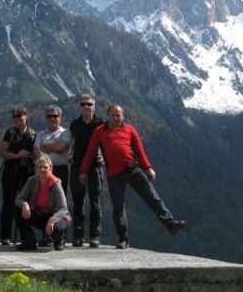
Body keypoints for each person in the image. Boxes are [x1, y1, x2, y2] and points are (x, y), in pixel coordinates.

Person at [79, 104, 186, 249]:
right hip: (114, 174)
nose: (116, 117)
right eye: (113, 115)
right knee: (118, 207)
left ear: (123, 116)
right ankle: (123, 239)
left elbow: (139, 149)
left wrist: (148, 167)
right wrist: (83, 171)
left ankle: (170, 223)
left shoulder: (130, 129)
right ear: (108, 116)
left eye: (118, 115)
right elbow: (91, 152)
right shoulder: (99, 131)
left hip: (133, 169)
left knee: (152, 197)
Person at [69, 94, 105, 247]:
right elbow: (71, 142)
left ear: (94, 107)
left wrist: (104, 155)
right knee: (78, 203)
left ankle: (95, 236)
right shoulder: (74, 125)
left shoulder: (101, 124)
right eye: (83, 104)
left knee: (95, 202)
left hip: (95, 167)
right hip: (77, 167)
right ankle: (78, 237)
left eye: (89, 104)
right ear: (79, 107)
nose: (86, 107)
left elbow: (107, 143)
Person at [15, 155, 71, 251]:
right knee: (17, 210)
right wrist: (25, 204)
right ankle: (29, 241)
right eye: (40, 167)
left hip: (57, 217)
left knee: (58, 227)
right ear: (36, 169)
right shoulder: (31, 181)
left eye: (45, 167)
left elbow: (63, 208)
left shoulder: (56, 184)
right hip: (40, 215)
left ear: (50, 169)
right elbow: (19, 199)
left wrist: (52, 220)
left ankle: (59, 240)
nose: (42, 169)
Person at [0, 105, 35, 246]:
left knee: (24, 204)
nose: (18, 118)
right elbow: (2, 152)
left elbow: (36, 153)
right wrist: (17, 156)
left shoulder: (32, 133)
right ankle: (5, 236)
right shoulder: (10, 133)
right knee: (8, 203)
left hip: (27, 173)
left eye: (21, 115)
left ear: (26, 116)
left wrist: (29, 154)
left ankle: (24, 235)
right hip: (10, 172)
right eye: (16, 116)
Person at [35, 104, 72, 188]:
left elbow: (62, 147)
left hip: (61, 170)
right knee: (43, 198)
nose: (52, 118)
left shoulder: (66, 132)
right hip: (43, 170)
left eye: (55, 116)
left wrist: (45, 145)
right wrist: (55, 146)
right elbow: (36, 150)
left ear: (60, 118)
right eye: (49, 116)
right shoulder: (40, 134)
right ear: (46, 118)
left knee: (60, 198)